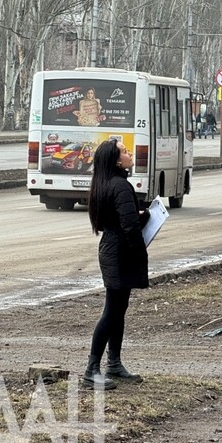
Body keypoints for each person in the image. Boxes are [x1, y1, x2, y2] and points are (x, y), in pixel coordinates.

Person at [84, 138, 150, 390]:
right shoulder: (120, 185)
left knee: (118, 309)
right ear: (115, 160)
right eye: (124, 152)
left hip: (112, 247)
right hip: (120, 252)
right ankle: (91, 369)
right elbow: (130, 228)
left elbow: (112, 221)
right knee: (112, 311)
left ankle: (114, 363)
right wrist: (141, 237)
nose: (130, 153)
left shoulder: (105, 183)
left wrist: (139, 216)